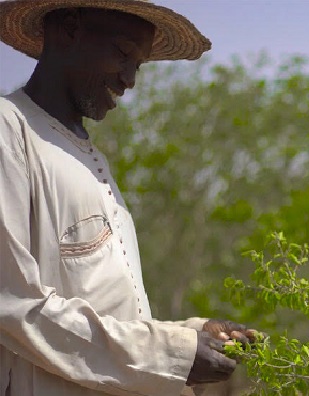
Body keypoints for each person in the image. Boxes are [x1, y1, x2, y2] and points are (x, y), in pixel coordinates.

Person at [0, 1, 255, 395]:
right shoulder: (9, 131)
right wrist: (173, 354)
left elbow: (102, 313)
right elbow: (13, 306)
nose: (130, 80)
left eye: (139, 64)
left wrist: (189, 336)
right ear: (69, 29)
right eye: (122, 54)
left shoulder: (87, 157)